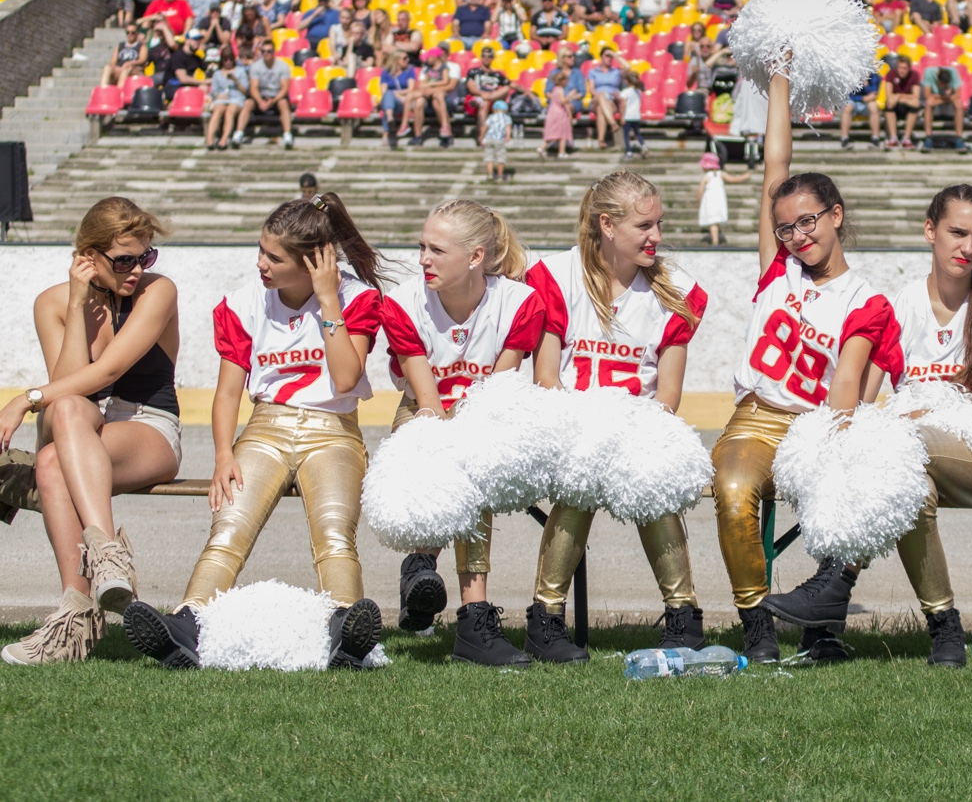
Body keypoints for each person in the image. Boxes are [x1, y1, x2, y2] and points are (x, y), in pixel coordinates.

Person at [120, 194, 388, 670]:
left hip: (334, 431)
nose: (260, 263)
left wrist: (328, 300)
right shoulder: (244, 303)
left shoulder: (356, 298)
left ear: (312, 264)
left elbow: (346, 379)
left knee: (333, 533)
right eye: (261, 249)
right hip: (264, 427)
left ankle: (345, 629)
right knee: (228, 529)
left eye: (274, 256)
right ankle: (187, 623)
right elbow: (227, 395)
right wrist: (224, 454)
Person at [764, 185, 972, 668]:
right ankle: (944, 631)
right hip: (910, 459)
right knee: (908, 485)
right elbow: (864, 397)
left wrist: (923, 416)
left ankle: (830, 599)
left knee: (897, 446)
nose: (967, 247)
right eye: (956, 232)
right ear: (930, 231)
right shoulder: (898, 306)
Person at [712, 66, 903, 664]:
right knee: (733, 484)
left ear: (837, 215)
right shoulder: (779, 270)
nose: (796, 235)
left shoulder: (866, 298)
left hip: (819, 426)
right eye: (785, 227)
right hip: (759, 417)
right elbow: (776, 166)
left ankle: (822, 626)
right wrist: (780, 84)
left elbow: (862, 391)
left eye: (809, 221)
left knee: (860, 482)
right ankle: (757, 628)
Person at [522, 172, 711, 661]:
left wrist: (626, 435)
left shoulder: (677, 290)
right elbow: (547, 378)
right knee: (580, 478)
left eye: (659, 223)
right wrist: (593, 432)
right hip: (571, 426)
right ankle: (545, 619)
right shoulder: (557, 276)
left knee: (652, 479)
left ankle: (683, 618)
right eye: (644, 225)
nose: (657, 237)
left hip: (639, 429)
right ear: (607, 224)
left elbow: (667, 396)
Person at [0, 199, 179, 666]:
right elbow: (68, 391)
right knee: (55, 448)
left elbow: (109, 370)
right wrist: (79, 303)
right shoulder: (53, 303)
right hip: (81, 430)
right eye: (124, 260)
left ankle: (101, 564)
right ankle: (79, 609)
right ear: (88, 257)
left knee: (59, 432)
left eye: (145, 256)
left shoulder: (158, 292)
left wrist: (25, 398)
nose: (137, 269)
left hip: (147, 427)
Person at [382, 199, 545, 666]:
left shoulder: (518, 302)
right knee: (446, 455)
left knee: (473, 461)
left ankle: (420, 568)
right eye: (421, 247)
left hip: (486, 415)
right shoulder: (402, 301)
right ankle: (473, 619)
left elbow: (496, 392)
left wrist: (468, 440)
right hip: (423, 411)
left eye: (436, 249)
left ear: (476, 257)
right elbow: (427, 401)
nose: (422, 259)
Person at [247, 38, 296, 150]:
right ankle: (238, 134)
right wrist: (260, 102)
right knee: (248, 103)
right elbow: (254, 88)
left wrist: (272, 101)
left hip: (276, 96)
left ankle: (287, 135)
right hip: (261, 95)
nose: (265, 54)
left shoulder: (283, 66)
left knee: (283, 103)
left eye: (268, 51)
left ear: (274, 52)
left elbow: (284, 88)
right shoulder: (255, 66)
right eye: (263, 51)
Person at [407, 48, 455, 148]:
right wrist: (427, 89)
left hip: (442, 97)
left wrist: (432, 87)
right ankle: (417, 135)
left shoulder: (447, 67)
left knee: (437, 100)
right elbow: (422, 84)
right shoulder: (427, 68)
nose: (426, 60)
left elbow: (448, 84)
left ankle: (446, 131)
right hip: (427, 95)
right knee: (419, 102)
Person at [696, 151, 746, 246]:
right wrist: (745, 176)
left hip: (710, 202)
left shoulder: (706, 177)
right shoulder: (720, 174)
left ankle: (715, 242)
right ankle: (716, 239)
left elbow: (700, 191)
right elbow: (733, 179)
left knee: (713, 222)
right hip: (719, 202)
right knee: (716, 222)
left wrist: (698, 201)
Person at [205, 50, 248, 151]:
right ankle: (210, 139)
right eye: (225, 60)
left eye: (230, 60)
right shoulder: (217, 73)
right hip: (221, 98)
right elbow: (213, 91)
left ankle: (224, 139)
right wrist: (219, 96)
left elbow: (245, 90)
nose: (228, 62)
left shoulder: (240, 71)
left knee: (230, 111)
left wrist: (236, 80)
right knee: (218, 110)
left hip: (236, 97)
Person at [918, 65, 968, 153]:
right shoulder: (928, 72)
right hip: (940, 98)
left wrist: (941, 100)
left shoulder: (954, 73)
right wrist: (944, 97)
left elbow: (957, 95)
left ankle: (959, 138)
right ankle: (928, 137)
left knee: (959, 104)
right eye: (941, 84)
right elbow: (927, 95)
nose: (943, 86)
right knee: (928, 103)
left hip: (947, 99)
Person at [881, 55, 921, 148]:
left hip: (905, 104)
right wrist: (906, 99)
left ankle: (906, 138)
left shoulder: (914, 75)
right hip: (896, 104)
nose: (901, 71)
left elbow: (916, 96)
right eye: (900, 68)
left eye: (904, 68)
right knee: (889, 105)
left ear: (909, 69)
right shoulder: (891, 74)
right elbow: (889, 95)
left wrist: (898, 96)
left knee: (914, 107)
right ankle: (893, 138)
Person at [479, 100, 511, 182]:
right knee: (500, 157)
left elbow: (485, 127)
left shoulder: (491, 117)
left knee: (489, 157)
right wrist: (508, 136)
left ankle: (490, 174)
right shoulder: (506, 118)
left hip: (489, 138)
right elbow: (508, 127)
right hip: (499, 138)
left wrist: (481, 136)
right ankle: (500, 175)